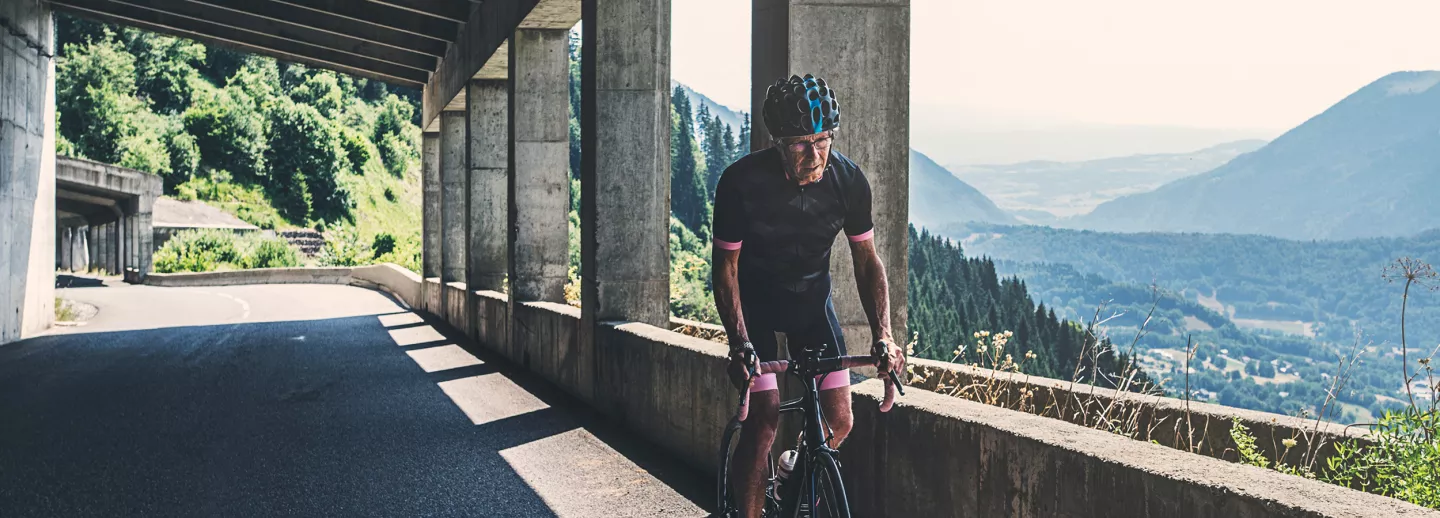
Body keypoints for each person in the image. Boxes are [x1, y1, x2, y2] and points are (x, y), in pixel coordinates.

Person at [711, 74, 904, 517]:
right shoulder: (740, 183)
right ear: (778, 143)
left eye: (822, 140)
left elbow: (867, 261)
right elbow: (726, 269)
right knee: (764, 421)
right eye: (800, 143)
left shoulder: (848, 181)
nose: (814, 155)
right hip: (755, 309)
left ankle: (794, 475)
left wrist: (884, 335)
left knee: (840, 420)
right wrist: (738, 342)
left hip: (811, 306)